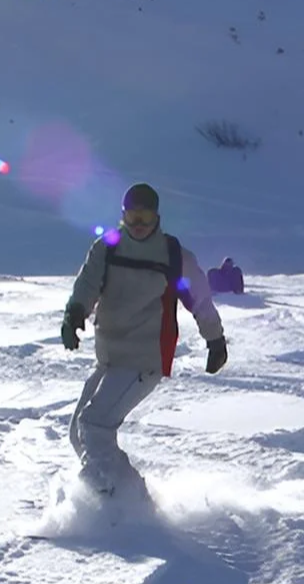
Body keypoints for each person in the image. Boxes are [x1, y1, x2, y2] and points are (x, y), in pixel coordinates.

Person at [61, 183, 227, 495]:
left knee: (94, 426)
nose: (139, 225)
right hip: (111, 356)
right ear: (123, 216)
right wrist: (74, 313)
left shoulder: (173, 256)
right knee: (79, 434)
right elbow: (87, 284)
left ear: (157, 217)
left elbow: (201, 300)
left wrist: (215, 340)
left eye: (146, 217)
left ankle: (117, 498)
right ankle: (123, 496)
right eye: (133, 217)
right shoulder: (108, 247)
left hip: (145, 358)